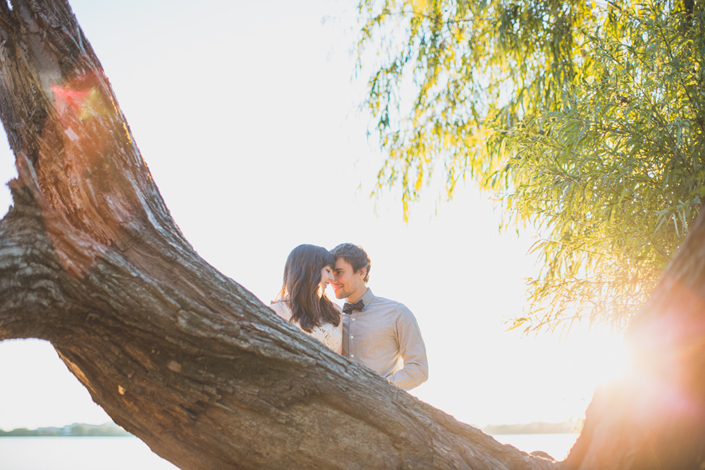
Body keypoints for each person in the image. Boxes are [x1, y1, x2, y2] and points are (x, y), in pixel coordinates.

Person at [330, 243, 428, 390]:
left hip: (382, 410)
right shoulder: (329, 317)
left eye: (339, 272)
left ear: (362, 273)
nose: (333, 279)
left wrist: (379, 389)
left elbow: (419, 368)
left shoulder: (397, 313)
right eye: (330, 273)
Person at [270, 244, 342, 353]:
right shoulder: (278, 311)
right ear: (311, 270)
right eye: (328, 270)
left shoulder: (335, 311)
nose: (332, 278)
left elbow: (340, 359)